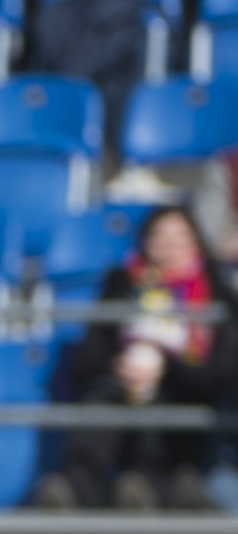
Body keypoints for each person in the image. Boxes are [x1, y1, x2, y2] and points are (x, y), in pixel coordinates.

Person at [41, 207, 238, 510]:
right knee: (103, 402)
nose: (169, 248)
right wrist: (119, 366)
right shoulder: (121, 288)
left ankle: (150, 489)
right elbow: (87, 360)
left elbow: (220, 372)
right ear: (144, 243)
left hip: (185, 396)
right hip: (121, 390)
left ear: (196, 243)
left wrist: (168, 366)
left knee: (164, 408)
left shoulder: (216, 298)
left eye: (179, 239)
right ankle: (75, 491)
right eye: (159, 238)